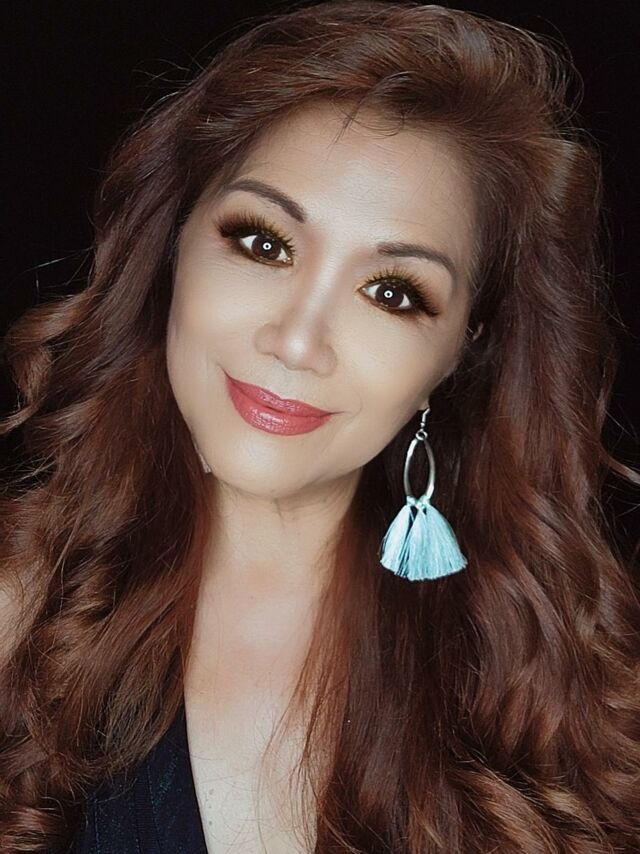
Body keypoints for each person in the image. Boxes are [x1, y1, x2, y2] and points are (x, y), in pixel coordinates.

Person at [1, 1, 639, 851]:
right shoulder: (17, 620)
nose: (298, 341)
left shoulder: (563, 699)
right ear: (175, 241)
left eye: (393, 293)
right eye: (263, 243)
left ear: (459, 352)